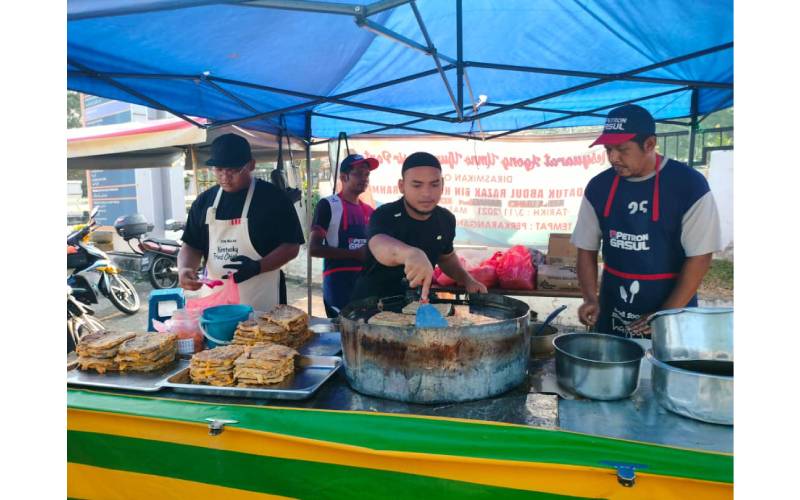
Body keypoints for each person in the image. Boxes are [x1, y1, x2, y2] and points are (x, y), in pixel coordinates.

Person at [570, 104, 723, 338]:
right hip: (614, 307)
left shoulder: (689, 186)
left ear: (650, 144)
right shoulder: (599, 187)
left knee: (665, 370)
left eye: (622, 149)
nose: (613, 158)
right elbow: (586, 249)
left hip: (674, 310)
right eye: (608, 149)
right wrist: (590, 298)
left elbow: (700, 257)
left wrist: (664, 315)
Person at [178, 133, 305, 311]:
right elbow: (191, 244)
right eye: (219, 169)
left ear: (251, 165)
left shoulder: (274, 199)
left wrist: (258, 266)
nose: (225, 176)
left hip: (262, 300)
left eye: (233, 169)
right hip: (217, 301)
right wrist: (185, 268)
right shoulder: (204, 202)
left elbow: (291, 247)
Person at [351, 151, 488, 302]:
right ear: (402, 186)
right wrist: (411, 254)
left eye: (434, 184)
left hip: (419, 304)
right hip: (372, 306)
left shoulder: (446, 219)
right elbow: (379, 245)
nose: (426, 193)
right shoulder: (384, 214)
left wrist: (468, 280)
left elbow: (446, 258)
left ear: (442, 185)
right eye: (417, 185)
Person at [310, 154, 379, 318]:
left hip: (363, 285)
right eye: (358, 173)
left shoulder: (370, 211)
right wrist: (355, 254)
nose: (364, 179)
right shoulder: (328, 205)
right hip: (338, 283)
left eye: (367, 174)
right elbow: (314, 248)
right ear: (343, 177)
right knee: (341, 334)